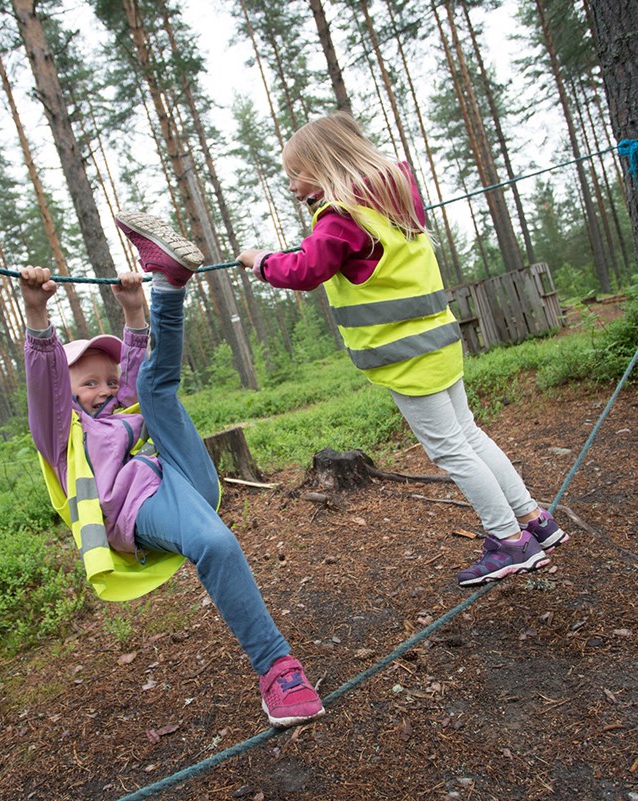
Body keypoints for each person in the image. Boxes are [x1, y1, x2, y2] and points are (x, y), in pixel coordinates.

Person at [236, 111, 568, 587]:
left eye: (296, 173)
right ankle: (535, 519)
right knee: (469, 437)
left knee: (453, 451)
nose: (291, 185)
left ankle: (510, 542)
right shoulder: (392, 200)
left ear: (326, 164)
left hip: (406, 357)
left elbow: (303, 271)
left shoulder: (341, 219)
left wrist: (259, 260)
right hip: (438, 342)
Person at [21, 210, 324, 728]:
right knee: (218, 545)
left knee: (155, 394)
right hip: (131, 511)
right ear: (67, 393)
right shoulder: (63, 434)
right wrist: (37, 319)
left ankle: (165, 283)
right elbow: (45, 385)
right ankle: (277, 669)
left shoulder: (123, 414)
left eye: (107, 380)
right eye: (88, 383)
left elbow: (139, 376)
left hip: (180, 479)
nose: (103, 390)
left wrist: (134, 314)